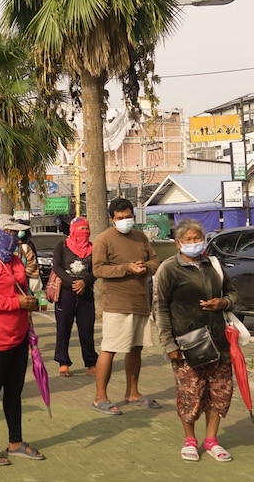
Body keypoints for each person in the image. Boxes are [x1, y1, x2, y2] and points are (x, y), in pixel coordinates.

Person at [154, 219, 237, 462]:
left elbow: (232, 292)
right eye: (188, 240)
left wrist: (224, 303)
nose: (193, 243)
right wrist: (169, 344)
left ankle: (211, 439)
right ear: (178, 243)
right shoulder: (169, 268)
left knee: (220, 393)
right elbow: (159, 308)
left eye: (197, 239)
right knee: (191, 394)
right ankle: (190, 440)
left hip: (219, 342)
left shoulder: (213, 264)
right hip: (187, 344)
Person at [0, 214, 45, 465]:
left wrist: (30, 303)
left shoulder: (15, 259)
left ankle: (15, 441)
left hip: (18, 334)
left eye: (17, 233)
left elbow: (21, 289)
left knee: (14, 392)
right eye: (12, 233)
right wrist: (15, 303)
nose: (16, 237)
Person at [91, 197, 161, 415]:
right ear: (112, 220)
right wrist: (127, 268)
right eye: (120, 218)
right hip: (117, 303)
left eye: (128, 217)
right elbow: (98, 269)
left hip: (140, 302)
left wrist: (144, 267)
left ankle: (133, 392)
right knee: (110, 349)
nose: (125, 221)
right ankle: (100, 397)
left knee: (136, 348)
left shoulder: (141, 238)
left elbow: (155, 262)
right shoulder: (104, 240)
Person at [52, 217, 98, 377]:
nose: (84, 233)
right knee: (63, 328)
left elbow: (96, 270)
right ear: (72, 230)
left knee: (87, 330)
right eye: (80, 229)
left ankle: (91, 363)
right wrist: (72, 282)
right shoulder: (62, 245)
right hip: (66, 294)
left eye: (86, 229)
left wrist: (84, 282)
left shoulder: (94, 248)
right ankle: (63, 362)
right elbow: (57, 267)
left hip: (86, 295)